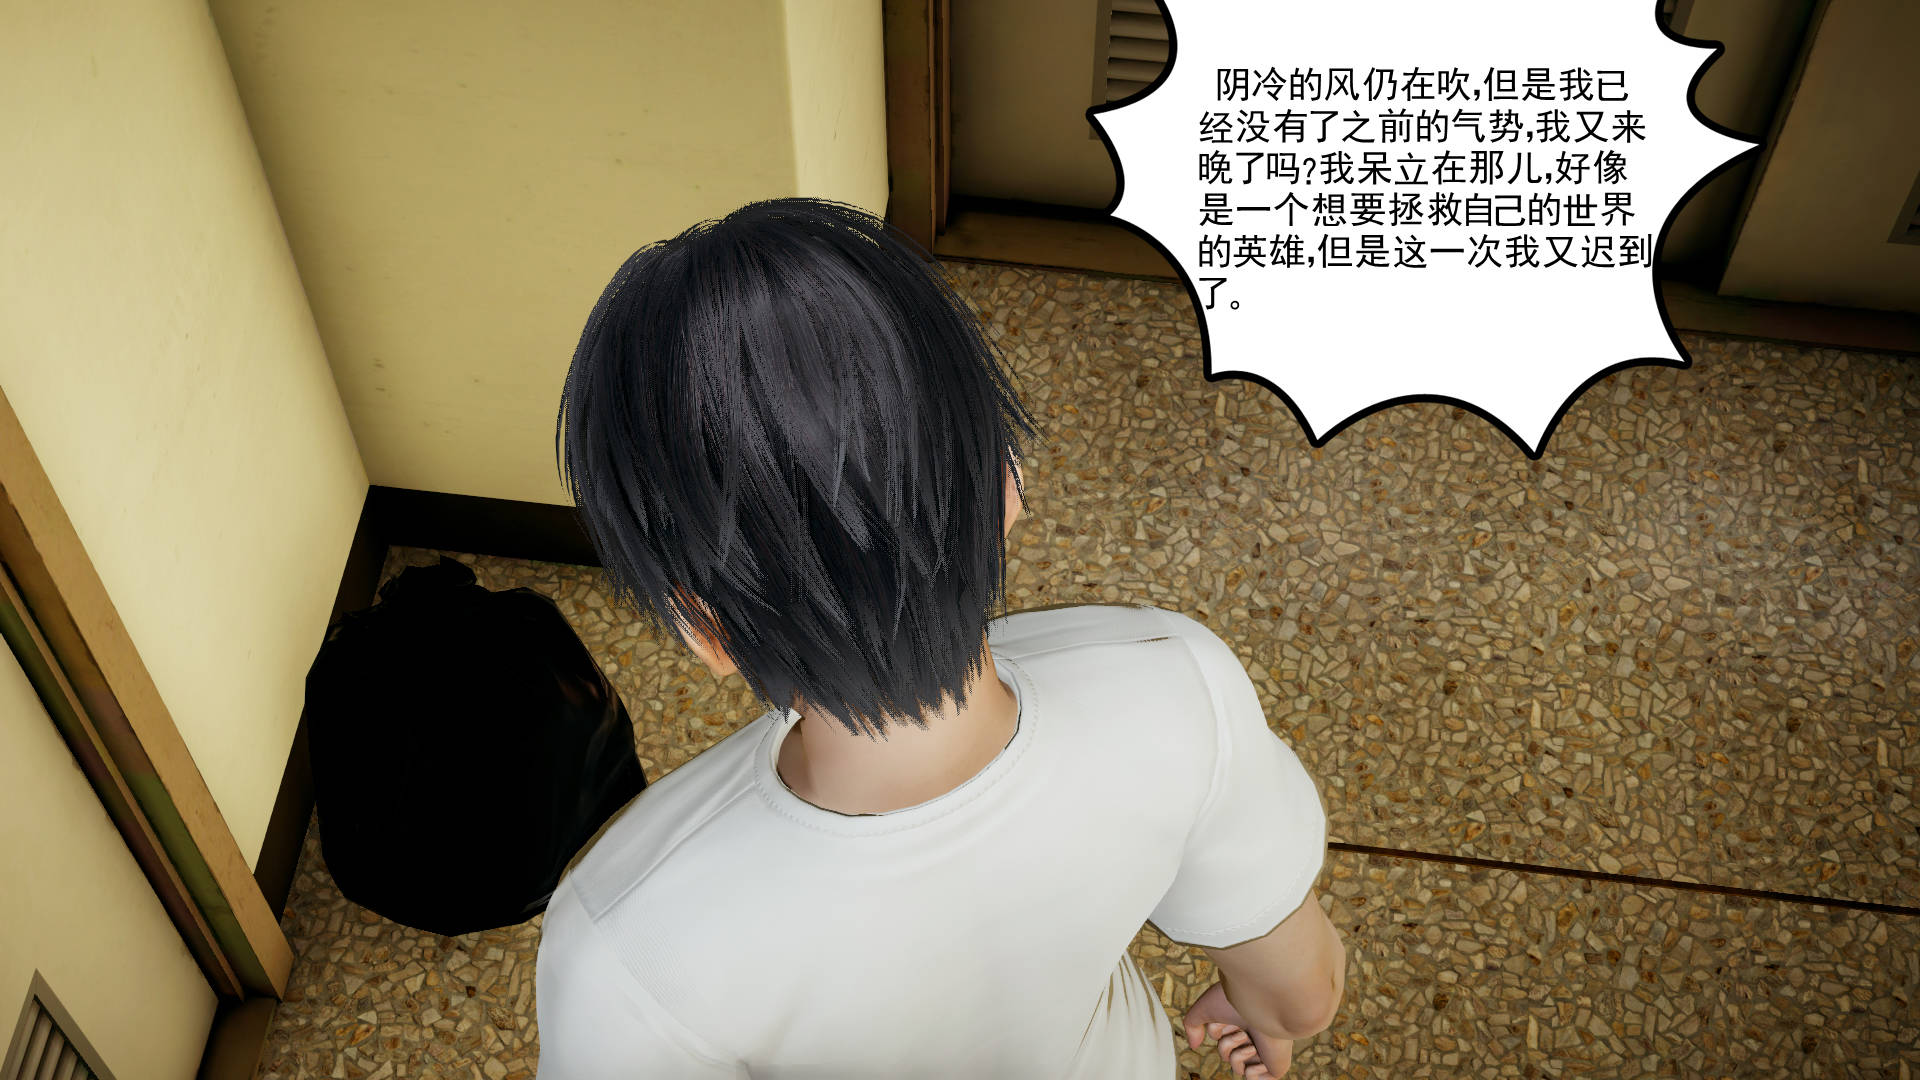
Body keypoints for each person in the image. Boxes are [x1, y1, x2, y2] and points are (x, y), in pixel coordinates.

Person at [538, 197, 1345, 1079]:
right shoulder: (1172, 683)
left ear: (704, 630)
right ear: (1008, 485)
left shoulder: (622, 945)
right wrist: (1263, 1013)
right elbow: (1299, 992)